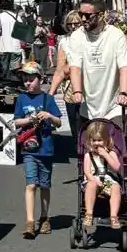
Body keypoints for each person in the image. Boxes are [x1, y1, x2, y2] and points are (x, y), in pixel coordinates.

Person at [65, 0, 127, 164]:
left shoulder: (115, 35)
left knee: (118, 146)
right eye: (81, 14)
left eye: (88, 15)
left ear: (101, 15)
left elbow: (124, 66)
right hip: (88, 105)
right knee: (88, 150)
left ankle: (118, 177)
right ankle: (91, 180)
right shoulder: (77, 37)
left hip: (113, 104)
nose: (82, 19)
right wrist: (77, 91)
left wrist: (123, 92)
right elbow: (75, 67)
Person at [14, 70, 61, 237]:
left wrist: (48, 115)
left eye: (31, 80)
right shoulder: (21, 98)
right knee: (31, 184)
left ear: (40, 80)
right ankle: (30, 221)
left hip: (46, 149)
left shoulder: (48, 99)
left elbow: (59, 121)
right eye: (25, 80)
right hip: (29, 149)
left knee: (45, 185)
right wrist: (30, 120)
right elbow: (16, 121)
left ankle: (44, 217)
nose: (28, 83)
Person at [46, 9, 83, 149]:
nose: (74, 26)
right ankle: (80, 153)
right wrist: (51, 93)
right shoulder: (64, 42)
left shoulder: (91, 38)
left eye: (77, 23)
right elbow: (60, 69)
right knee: (75, 123)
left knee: (89, 125)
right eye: (70, 23)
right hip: (71, 89)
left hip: (91, 87)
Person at [81, 119, 124, 232]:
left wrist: (106, 155)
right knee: (91, 185)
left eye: (100, 140)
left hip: (109, 180)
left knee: (116, 188)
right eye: (94, 140)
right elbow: (87, 171)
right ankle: (89, 213)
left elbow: (117, 167)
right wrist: (93, 180)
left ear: (106, 140)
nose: (97, 143)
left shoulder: (111, 153)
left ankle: (114, 216)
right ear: (89, 141)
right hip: (93, 180)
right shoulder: (88, 155)